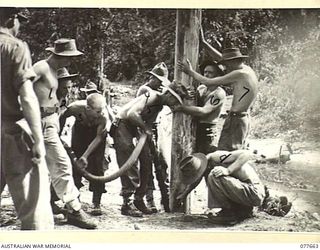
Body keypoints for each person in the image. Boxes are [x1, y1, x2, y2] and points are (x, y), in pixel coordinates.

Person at [32, 38, 97, 229]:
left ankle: (74, 210)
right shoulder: (41, 67)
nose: (70, 61)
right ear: (58, 55)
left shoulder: (55, 72)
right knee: (21, 168)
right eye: (68, 57)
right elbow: (17, 84)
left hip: (48, 123)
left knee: (61, 164)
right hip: (33, 122)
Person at [110, 64, 188, 217]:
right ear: (169, 95)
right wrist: (145, 129)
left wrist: (148, 134)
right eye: (174, 102)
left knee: (147, 162)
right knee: (129, 162)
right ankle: (127, 202)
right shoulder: (152, 95)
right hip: (123, 124)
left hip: (137, 128)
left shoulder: (160, 103)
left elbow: (148, 120)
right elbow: (132, 114)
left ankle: (139, 198)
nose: (173, 106)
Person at [0, 7, 53, 230]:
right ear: (13, 19)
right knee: (33, 208)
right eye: (20, 21)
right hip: (10, 132)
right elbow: (27, 96)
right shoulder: (14, 47)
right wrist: (39, 140)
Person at [178, 47, 258, 151]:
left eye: (226, 64)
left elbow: (208, 82)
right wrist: (205, 44)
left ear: (233, 62)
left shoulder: (239, 75)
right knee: (230, 152)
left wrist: (189, 71)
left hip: (236, 119)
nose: (225, 67)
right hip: (240, 118)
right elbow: (223, 58)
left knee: (226, 153)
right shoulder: (246, 69)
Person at [177, 149, 265, 225]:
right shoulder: (205, 165)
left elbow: (246, 154)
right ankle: (241, 211)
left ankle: (228, 214)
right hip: (245, 192)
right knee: (213, 175)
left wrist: (228, 170)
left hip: (254, 191)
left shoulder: (216, 157)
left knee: (214, 175)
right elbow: (197, 180)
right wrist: (184, 194)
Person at [59, 93, 110, 216]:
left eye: (102, 110)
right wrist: (58, 134)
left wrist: (85, 156)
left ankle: (96, 202)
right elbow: (62, 117)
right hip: (80, 132)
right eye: (97, 111)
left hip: (97, 138)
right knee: (75, 166)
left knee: (98, 166)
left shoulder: (103, 118)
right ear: (88, 108)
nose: (100, 113)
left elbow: (98, 138)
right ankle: (75, 200)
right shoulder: (75, 108)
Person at [135, 62, 171, 213]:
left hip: (157, 127)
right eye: (158, 80)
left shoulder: (160, 90)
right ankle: (149, 199)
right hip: (143, 128)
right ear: (152, 78)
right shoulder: (145, 90)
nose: (160, 83)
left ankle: (166, 198)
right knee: (147, 164)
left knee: (162, 163)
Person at [174, 60, 226, 154]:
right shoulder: (202, 88)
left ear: (218, 76)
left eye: (210, 73)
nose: (206, 75)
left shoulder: (219, 93)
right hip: (195, 127)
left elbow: (204, 111)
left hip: (207, 131)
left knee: (205, 158)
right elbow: (194, 101)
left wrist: (182, 108)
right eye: (205, 72)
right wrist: (189, 95)